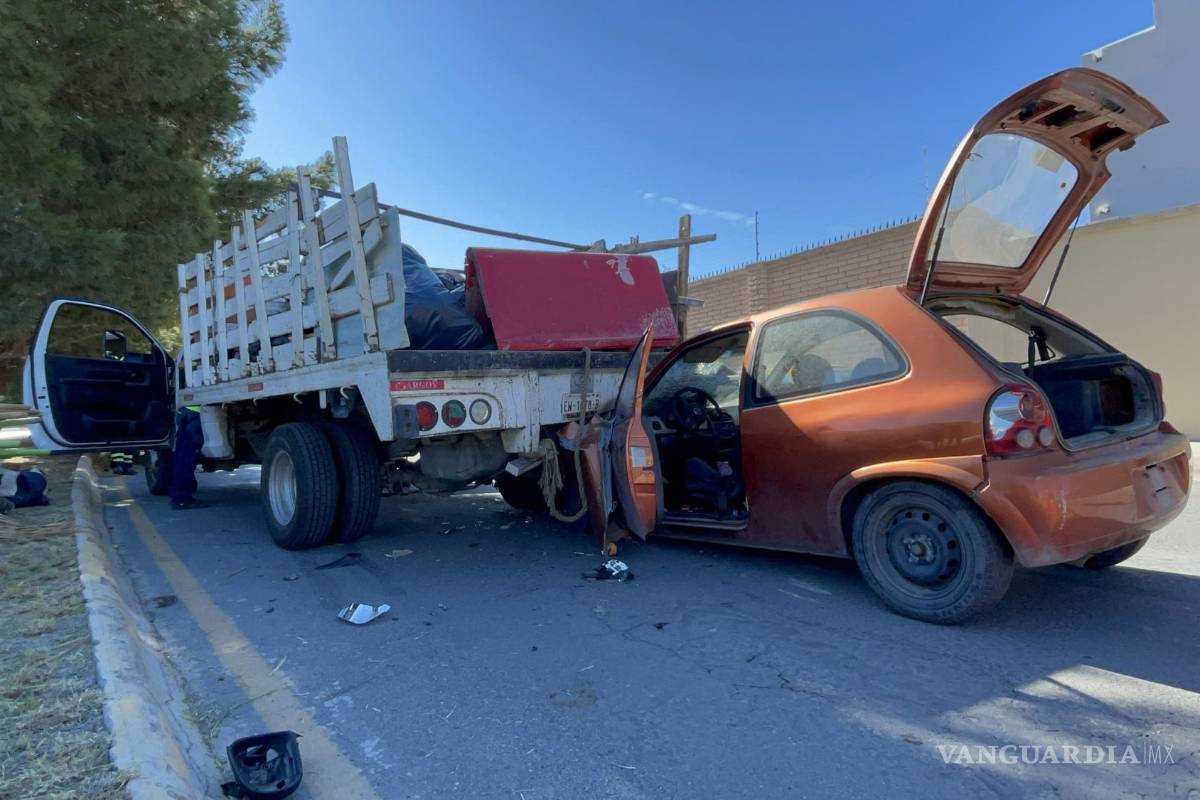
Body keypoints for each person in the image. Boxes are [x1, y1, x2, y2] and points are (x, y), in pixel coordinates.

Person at [168, 405, 208, 510]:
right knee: (186, 459)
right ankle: (181, 498)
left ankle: (181, 494)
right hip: (196, 413)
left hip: (187, 412)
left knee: (182, 456)